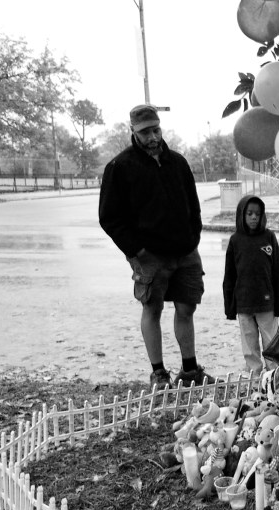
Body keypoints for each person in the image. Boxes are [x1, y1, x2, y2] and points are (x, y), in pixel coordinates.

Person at [98, 104, 214, 388]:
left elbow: (193, 205)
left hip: (186, 252)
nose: (152, 136)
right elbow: (109, 218)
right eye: (145, 132)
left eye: (156, 129)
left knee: (186, 308)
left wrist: (193, 236)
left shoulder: (178, 162)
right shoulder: (119, 167)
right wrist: (136, 250)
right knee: (153, 309)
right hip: (149, 255)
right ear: (133, 132)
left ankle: (190, 371)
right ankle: (159, 374)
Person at [223, 195, 279, 374]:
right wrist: (230, 307)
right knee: (249, 347)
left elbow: (278, 273)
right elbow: (229, 277)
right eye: (249, 213)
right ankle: (255, 380)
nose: (253, 217)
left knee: (271, 344)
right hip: (244, 305)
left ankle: (273, 379)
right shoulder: (235, 241)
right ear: (241, 215)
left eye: (257, 214)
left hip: (266, 303)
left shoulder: (269, 238)